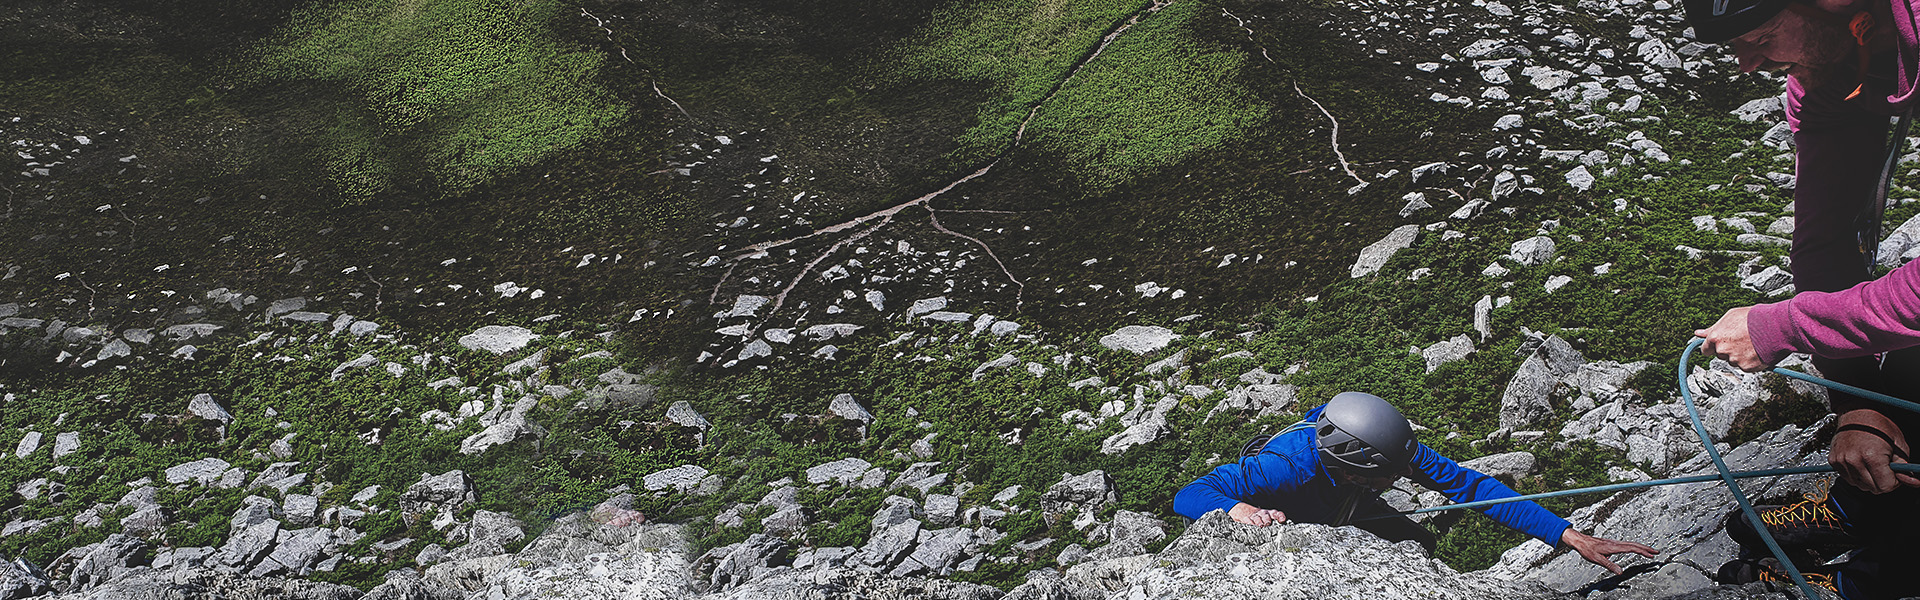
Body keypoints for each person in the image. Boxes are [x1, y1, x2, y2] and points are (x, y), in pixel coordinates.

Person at [1683, 0, 1920, 595]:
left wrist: (1782, 327)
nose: (1746, 64)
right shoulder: (1828, 73)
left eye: (1762, 36)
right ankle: (1867, 507)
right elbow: (1826, 245)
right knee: (1906, 356)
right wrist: (1857, 404)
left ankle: (1876, 581)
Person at [1172, 392, 1658, 575]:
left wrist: (1567, 534)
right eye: (1394, 476)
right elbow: (1189, 494)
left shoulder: (1391, 449)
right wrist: (1241, 510)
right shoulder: (1284, 468)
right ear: (1354, 468)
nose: (1407, 476)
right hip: (1300, 514)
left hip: (1345, 505)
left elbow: (1471, 488)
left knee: (1420, 547)